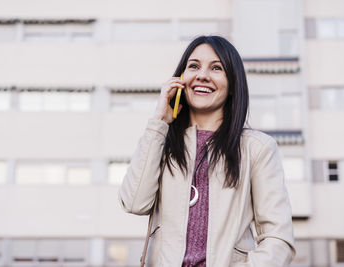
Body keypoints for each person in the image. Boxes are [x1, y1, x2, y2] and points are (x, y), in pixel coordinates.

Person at [118, 35, 296, 266]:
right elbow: (134, 203)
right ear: (181, 79)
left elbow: (278, 238)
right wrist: (158, 121)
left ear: (232, 84)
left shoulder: (257, 147)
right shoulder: (162, 143)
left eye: (216, 68)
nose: (202, 75)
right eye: (193, 66)